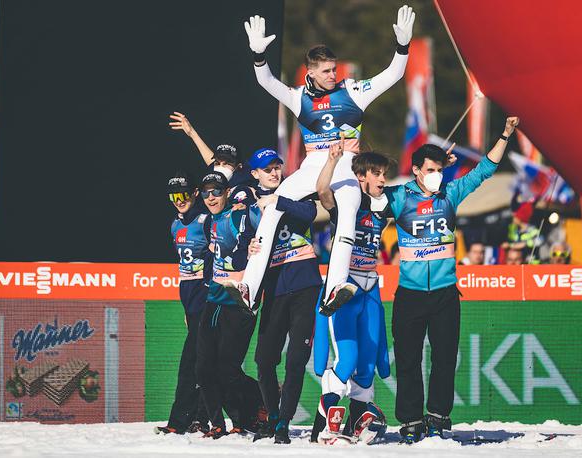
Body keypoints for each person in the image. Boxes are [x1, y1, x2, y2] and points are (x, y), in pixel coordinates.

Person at [222, 6, 416, 317]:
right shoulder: (299, 96)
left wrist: (402, 47)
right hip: (312, 165)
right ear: (310, 72)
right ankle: (249, 288)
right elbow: (267, 82)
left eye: (334, 69)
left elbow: (392, 74)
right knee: (273, 206)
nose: (333, 75)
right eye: (326, 71)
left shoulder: (353, 91)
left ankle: (335, 286)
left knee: (349, 210)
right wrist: (259, 56)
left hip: (345, 165)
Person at [385, 117, 520, 444]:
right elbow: (366, 193)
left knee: (445, 359)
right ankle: (411, 420)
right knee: (408, 359)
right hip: (410, 294)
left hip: (445, 293)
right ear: (416, 170)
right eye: (429, 170)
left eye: (439, 170)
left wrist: (505, 134)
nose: (436, 176)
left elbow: (484, 170)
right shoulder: (400, 197)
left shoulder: (451, 193)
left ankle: (438, 416)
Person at [311, 138, 392, 444]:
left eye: (384, 173)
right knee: (348, 358)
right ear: (361, 177)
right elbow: (322, 193)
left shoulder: (384, 206)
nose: (383, 179)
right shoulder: (346, 203)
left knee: (368, 364)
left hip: (370, 287)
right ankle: (322, 426)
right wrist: (332, 161)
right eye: (377, 174)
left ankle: (352, 427)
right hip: (344, 290)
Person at [244, 148, 322, 444]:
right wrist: (248, 249)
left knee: (297, 359)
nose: (274, 173)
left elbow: (311, 213)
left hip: (304, 283)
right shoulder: (250, 207)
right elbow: (243, 247)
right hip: (273, 288)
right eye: (268, 169)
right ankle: (273, 415)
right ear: (255, 174)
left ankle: (284, 424)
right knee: (264, 359)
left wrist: (279, 200)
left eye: (277, 167)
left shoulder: (295, 190)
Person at [194, 171, 266, 439]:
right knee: (203, 368)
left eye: (216, 191)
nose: (211, 197)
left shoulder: (239, 215)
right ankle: (216, 424)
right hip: (214, 301)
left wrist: (254, 245)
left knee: (228, 368)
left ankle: (258, 404)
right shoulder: (207, 222)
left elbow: (267, 222)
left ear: (227, 193)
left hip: (239, 303)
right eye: (206, 192)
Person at [155, 173, 212, 435]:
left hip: (206, 293)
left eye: (184, 194)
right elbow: (183, 269)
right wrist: (187, 309)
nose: (180, 200)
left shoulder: (206, 220)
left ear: (195, 193)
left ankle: (179, 421)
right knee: (203, 361)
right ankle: (200, 417)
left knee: (191, 361)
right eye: (174, 196)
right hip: (189, 294)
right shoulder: (174, 226)